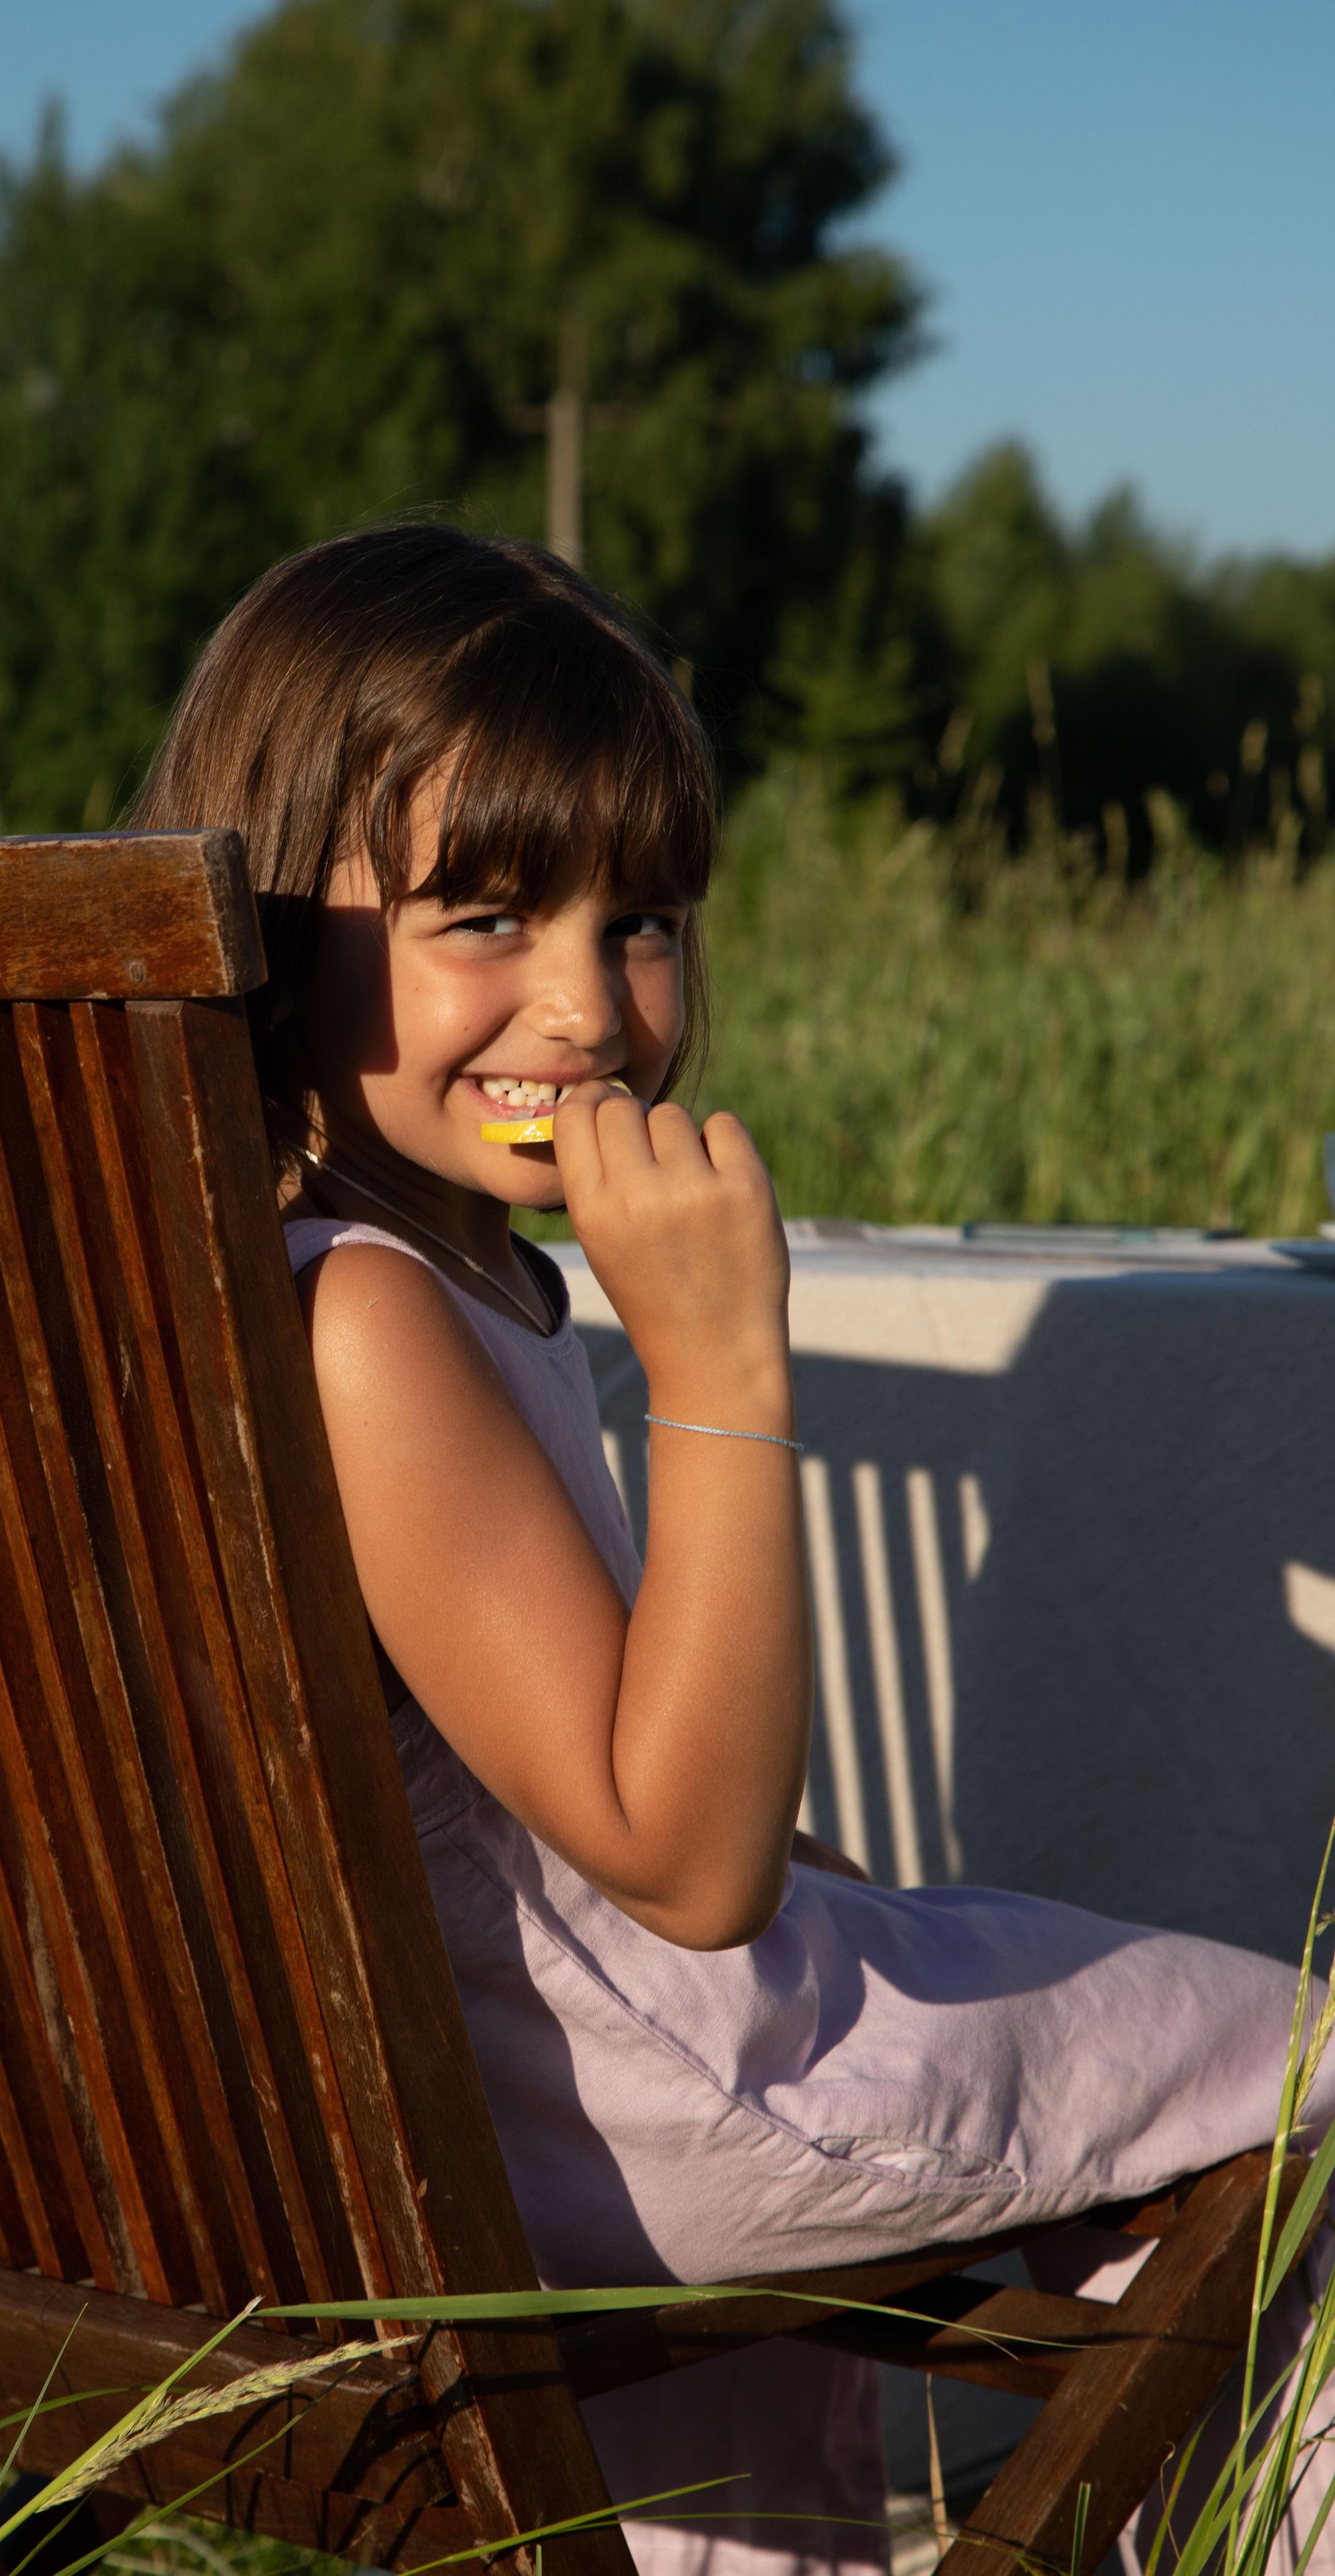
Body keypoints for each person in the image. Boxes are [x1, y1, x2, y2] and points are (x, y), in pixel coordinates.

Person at [134, 525, 1334, 2576]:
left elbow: (569, 1782)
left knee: (1016, 2092)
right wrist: (720, 1357)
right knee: (1309, 2072)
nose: (590, 1009)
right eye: (487, 913)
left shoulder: (350, 1271)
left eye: (649, 921)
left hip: (537, 2096)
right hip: (647, 2098)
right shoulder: (366, 1320)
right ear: (264, 923)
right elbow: (685, 1870)